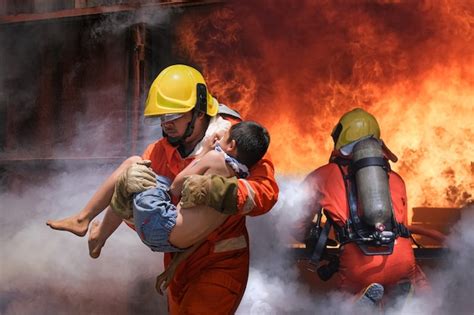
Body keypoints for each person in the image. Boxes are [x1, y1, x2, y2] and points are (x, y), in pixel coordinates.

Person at [48, 64, 279, 314]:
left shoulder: (240, 141)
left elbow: (265, 192)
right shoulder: (159, 152)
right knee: (133, 169)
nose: (165, 124)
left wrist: (224, 192)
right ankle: (86, 223)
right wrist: (128, 207)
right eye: (162, 117)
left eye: (173, 116)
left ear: (199, 112)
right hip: (178, 264)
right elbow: (157, 219)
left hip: (220, 264)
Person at [294, 108, 428, 308]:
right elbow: (402, 229)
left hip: (359, 265)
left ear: (342, 137)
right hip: (401, 259)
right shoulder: (396, 179)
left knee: (344, 302)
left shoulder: (323, 176)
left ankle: (356, 305)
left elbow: (296, 224)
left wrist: (314, 239)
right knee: (417, 282)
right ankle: (404, 297)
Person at [121, 121, 270, 295]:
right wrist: (172, 268)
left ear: (231, 145)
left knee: (134, 165)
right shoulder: (230, 193)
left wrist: (205, 150)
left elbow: (175, 186)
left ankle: (91, 224)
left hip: (162, 226)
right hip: (171, 245)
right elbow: (198, 234)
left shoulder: (214, 158)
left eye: (223, 136)